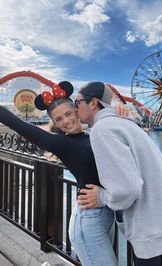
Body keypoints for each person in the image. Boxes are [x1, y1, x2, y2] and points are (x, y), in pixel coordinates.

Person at [75, 81, 162, 266]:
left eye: (77, 102)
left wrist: (102, 197)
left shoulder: (102, 131)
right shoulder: (125, 123)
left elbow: (127, 189)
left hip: (153, 233)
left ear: (93, 102)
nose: (75, 109)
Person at [0, 81, 117, 266]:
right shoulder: (61, 143)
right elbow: (17, 124)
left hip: (105, 211)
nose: (66, 121)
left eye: (68, 114)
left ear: (77, 111)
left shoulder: (94, 133)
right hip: (89, 220)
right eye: (59, 119)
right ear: (54, 123)